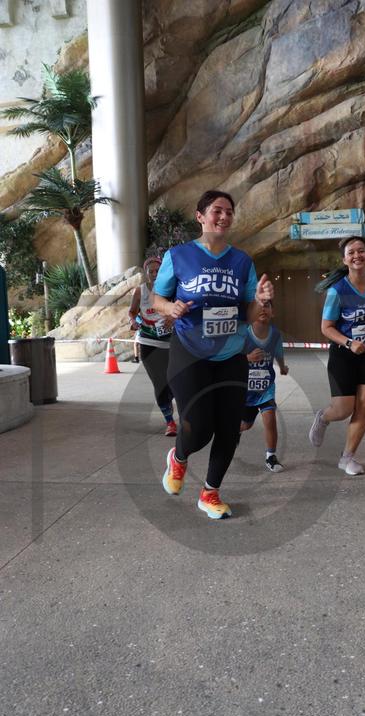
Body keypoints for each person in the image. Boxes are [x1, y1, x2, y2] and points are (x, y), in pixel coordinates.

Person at [152, 190, 273, 519]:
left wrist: (261, 301)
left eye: (229, 212)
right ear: (200, 216)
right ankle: (178, 458)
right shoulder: (178, 255)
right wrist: (171, 307)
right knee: (199, 427)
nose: (224, 216)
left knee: (230, 428)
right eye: (217, 210)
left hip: (231, 354)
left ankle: (210, 492)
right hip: (189, 351)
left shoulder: (242, 261)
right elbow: (157, 299)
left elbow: (250, 314)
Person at [309, 236, 365, 475]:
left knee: (364, 407)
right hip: (343, 355)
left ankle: (347, 458)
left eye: (361, 251)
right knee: (344, 409)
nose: (357, 255)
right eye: (351, 252)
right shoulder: (337, 291)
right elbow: (326, 328)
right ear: (345, 260)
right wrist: (349, 342)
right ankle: (324, 417)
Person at [128, 257, 177, 436]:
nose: (155, 274)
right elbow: (132, 312)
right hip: (148, 342)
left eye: (158, 270)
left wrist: (173, 317)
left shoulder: (172, 289)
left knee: (174, 380)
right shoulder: (139, 291)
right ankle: (170, 421)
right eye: (151, 271)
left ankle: (169, 400)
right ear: (146, 273)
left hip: (170, 343)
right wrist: (133, 321)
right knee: (159, 383)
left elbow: (180, 309)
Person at [239, 301, 288, 472]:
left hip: (266, 389)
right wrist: (247, 358)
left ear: (273, 312)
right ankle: (235, 432)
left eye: (267, 305)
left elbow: (278, 353)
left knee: (270, 418)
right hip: (245, 390)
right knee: (246, 424)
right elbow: (232, 358)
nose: (263, 309)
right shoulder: (243, 334)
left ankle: (271, 456)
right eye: (259, 306)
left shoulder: (275, 335)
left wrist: (282, 366)